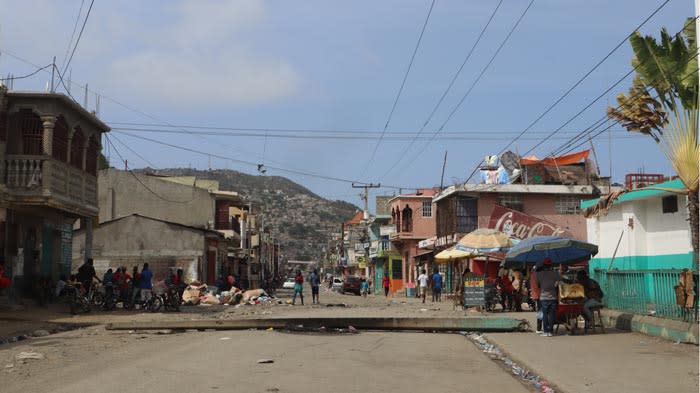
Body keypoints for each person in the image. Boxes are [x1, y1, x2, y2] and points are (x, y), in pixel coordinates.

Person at [536, 258, 561, 337]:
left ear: (543, 265)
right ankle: (550, 331)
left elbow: (538, 285)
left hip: (543, 297)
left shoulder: (539, 274)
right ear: (551, 265)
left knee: (545, 315)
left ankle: (546, 331)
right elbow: (561, 281)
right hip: (553, 297)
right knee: (551, 314)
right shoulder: (555, 273)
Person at [530, 266, 542, 333]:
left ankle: (539, 328)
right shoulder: (537, 275)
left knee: (540, 311)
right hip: (540, 295)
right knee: (541, 311)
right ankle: (539, 328)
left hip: (537, 295)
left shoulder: (533, 275)